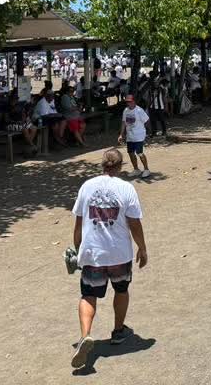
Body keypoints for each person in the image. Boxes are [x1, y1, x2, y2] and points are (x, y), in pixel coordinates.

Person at [70, 148, 147, 369]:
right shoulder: (126, 188)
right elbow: (134, 223)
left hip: (93, 253)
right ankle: (118, 331)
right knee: (121, 290)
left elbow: (78, 223)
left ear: (102, 165)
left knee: (88, 295)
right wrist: (142, 248)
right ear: (120, 166)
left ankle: (85, 335)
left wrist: (78, 249)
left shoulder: (87, 186)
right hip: (119, 253)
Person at [118, 95, 151, 178]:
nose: (129, 103)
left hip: (139, 135)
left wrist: (145, 131)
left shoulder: (139, 110)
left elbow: (147, 120)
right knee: (131, 153)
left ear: (134, 101)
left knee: (139, 153)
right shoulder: (126, 110)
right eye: (127, 102)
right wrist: (121, 134)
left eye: (130, 101)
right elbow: (123, 123)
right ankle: (136, 169)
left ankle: (146, 169)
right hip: (130, 136)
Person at [7, 91, 39, 155]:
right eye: (14, 98)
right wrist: (16, 122)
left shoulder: (19, 106)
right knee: (25, 129)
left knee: (34, 128)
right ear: (11, 99)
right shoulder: (7, 107)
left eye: (17, 98)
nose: (16, 100)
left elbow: (23, 115)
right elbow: (6, 119)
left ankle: (28, 145)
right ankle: (32, 146)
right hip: (10, 124)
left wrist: (25, 120)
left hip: (20, 122)